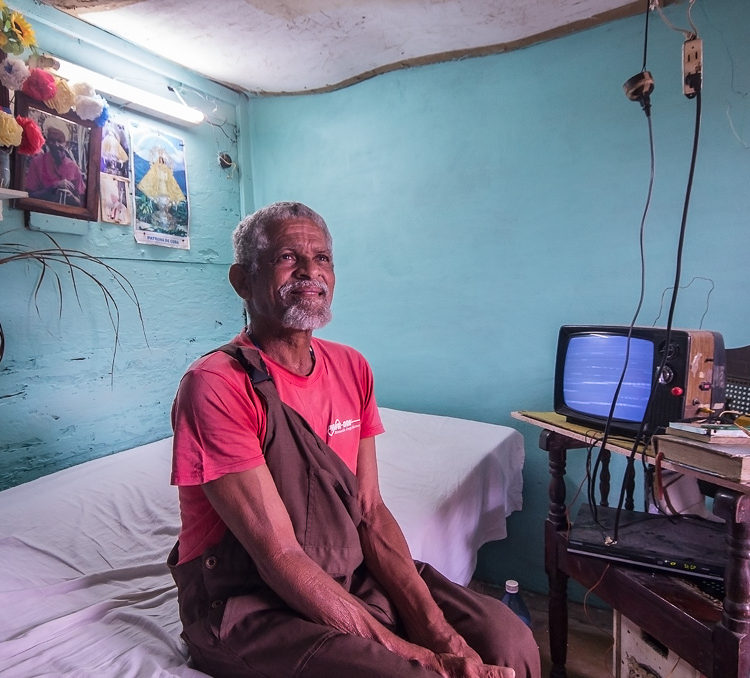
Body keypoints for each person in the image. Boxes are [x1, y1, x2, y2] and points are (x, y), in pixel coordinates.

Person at [168, 201, 541, 678]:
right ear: (242, 281)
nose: (309, 272)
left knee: (508, 639)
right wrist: (420, 655)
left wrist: (437, 630)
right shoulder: (217, 384)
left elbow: (368, 510)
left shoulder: (352, 367)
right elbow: (278, 554)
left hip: (349, 571)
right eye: (287, 257)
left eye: (322, 258)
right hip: (249, 600)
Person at [24, 117, 86, 205]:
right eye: (52, 140)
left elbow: (83, 204)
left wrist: (71, 197)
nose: (56, 145)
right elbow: (28, 196)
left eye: (59, 141)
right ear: (47, 141)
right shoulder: (37, 162)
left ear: (66, 144)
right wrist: (54, 187)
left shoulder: (74, 168)